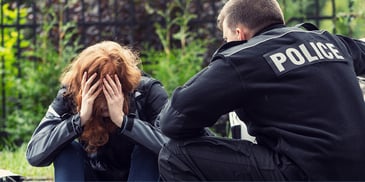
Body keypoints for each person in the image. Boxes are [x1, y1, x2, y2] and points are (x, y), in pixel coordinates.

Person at [158, 0, 365, 181]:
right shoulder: (329, 41)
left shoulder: (244, 58)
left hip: (303, 172)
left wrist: (226, 57)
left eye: (225, 38)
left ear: (238, 33)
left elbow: (173, 120)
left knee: (175, 154)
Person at [26, 41, 169, 181]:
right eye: (98, 98)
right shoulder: (70, 94)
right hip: (92, 175)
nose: (104, 106)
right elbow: (35, 154)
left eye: (109, 95)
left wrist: (123, 122)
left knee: (147, 149)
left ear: (124, 87)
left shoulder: (148, 91)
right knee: (68, 150)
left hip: (139, 174)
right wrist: (79, 119)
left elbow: (173, 149)